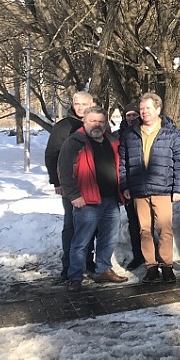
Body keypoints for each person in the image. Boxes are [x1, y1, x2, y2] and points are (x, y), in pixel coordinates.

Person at [119, 93, 180, 284]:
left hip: (163, 189)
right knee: (144, 230)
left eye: (148, 108)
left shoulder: (172, 134)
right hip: (139, 190)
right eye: (142, 109)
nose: (144, 112)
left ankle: (167, 266)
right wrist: (125, 185)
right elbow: (124, 163)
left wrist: (179, 188)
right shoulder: (130, 134)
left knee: (165, 229)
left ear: (158, 109)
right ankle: (151, 267)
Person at [58, 107, 128, 291]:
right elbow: (64, 171)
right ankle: (75, 276)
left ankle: (103, 270)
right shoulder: (75, 142)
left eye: (100, 121)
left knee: (108, 239)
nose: (97, 125)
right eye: (92, 121)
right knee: (81, 241)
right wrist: (73, 195)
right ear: (84, 122)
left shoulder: (111, 140)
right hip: (87, 201)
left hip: (111, 199)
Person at [45, 91, 97, 281]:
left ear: (92, 103)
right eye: (76, 104)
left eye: (83, 103)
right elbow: (52, 154)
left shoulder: (96, 123)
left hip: (92, 184)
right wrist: (56, 181)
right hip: (70, 184)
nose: (80, 107)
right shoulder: (64, 126)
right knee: (71, 225)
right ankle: (68, 265)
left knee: (91, 224)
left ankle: (88, 261)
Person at [118, 103, 146, 271]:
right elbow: (120, 163)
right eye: (128, 115)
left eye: (134, 115)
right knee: (134, 223)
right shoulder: (119, 135)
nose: (131, 118)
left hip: (147, 185)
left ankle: (152, 254)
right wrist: (124, 185)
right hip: (129, 186)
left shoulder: (145, 133)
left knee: (149, 223)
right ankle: (138, 254)